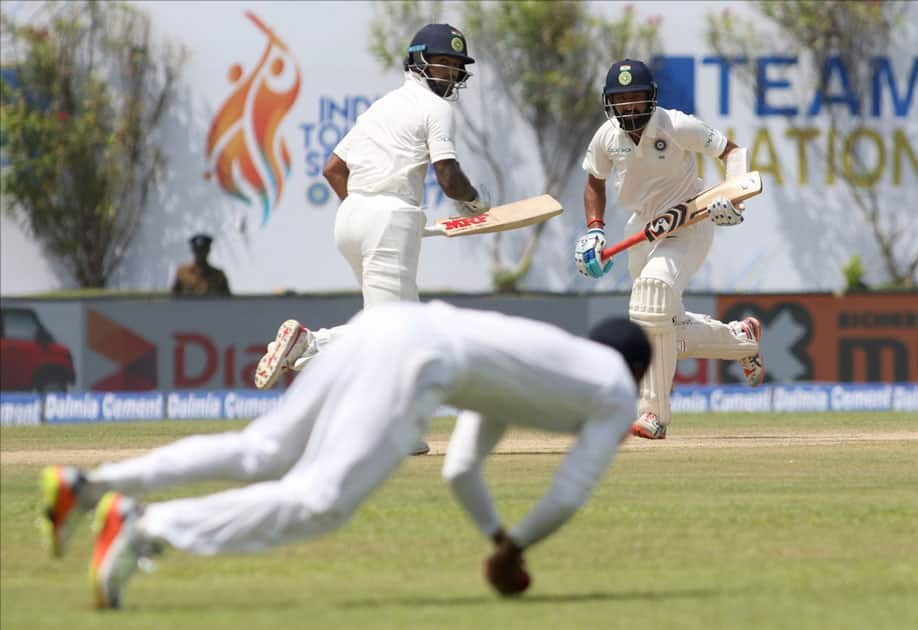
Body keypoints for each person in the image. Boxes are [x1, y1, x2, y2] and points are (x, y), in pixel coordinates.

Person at [38, 301, 650, 608]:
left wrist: (496, 535)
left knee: (263, 450)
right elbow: (569, 492)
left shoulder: (547, 366)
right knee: (320, 502)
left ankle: (86, 484)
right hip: (419, 360)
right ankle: (144, 523)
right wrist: (514, 549)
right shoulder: (618, 388)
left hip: (384, 325)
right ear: (639, 372)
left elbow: (461, 468)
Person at [252, 23, 487, 392]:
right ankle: (311, 344)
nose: (451, 72)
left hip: (351, 219)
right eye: (442, 62)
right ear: (418, 61)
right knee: (392, 332)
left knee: (407, 330)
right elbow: (448, 176)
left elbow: (333, 170)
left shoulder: (381, 107)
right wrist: (474, 201)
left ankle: (401, 429)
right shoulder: (436, 108)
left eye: (456, 66)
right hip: (388, 220)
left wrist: (368, 208)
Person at [574, 59, 765, 440]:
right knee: (664, 330)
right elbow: (594, 181)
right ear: (610, 103)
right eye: (621, 100)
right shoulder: (607, 136)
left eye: (636, 98)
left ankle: (653, 415)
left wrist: (733, 199)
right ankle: (742, 340)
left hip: (687, 223)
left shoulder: (676, 125)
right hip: (641, 230)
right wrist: (595, 230)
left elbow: (734, 152)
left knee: (651, 296)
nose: (629, 107)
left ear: (651, 98)